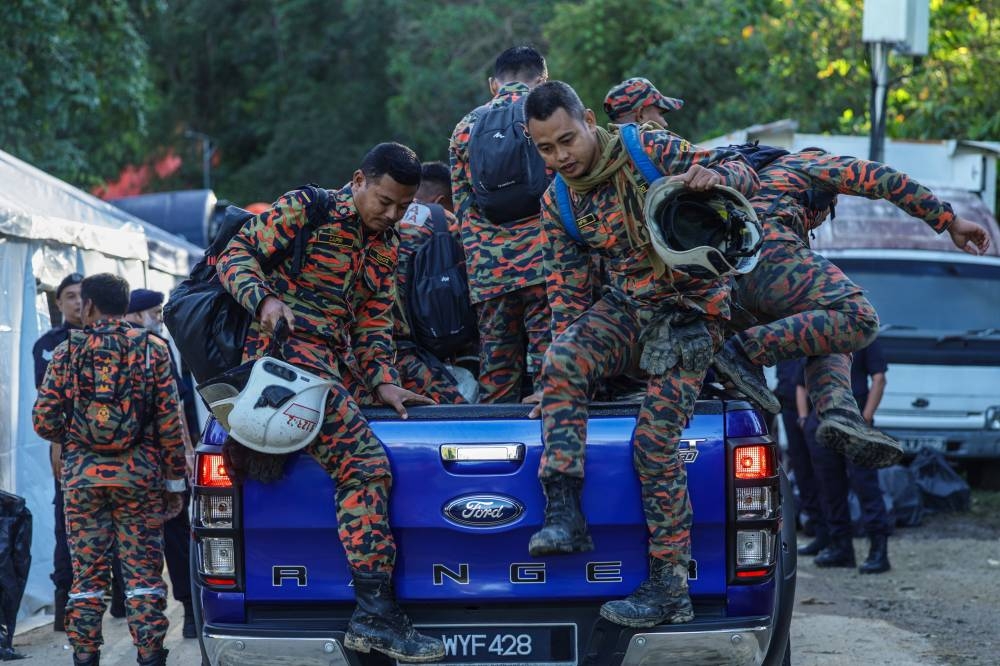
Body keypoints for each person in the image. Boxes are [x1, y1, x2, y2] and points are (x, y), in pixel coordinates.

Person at [522, 80, 760, 627]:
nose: (561, 157)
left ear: (587, 119)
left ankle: (669, 586)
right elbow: (568, 298)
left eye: (566, 140)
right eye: (545, 149)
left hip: (690, 311)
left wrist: (712, 176)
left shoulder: (647, 147)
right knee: (561, 358)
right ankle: (564, 511)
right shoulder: (558, 200)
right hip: (629, 309)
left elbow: (744, 174)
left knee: (653, 447)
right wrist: (564, 380)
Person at [215, 142, 445, 662]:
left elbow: (372, 323)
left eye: (402, 207)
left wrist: (385, 383)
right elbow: (234, 255)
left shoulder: (386, 245)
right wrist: (264, 299)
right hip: (283, 367)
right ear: (359, 180)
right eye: (384, 200)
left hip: (331, 370)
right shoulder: (308, 208)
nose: (391, 214)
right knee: (364, 464)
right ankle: (374, 618)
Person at [712, 147, 991, 468]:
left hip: (723, 278)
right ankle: (745, 351)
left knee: (829, 329)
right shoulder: (807, 163)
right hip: (766, 248)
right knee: (857, 319)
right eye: (828, 208)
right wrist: (949, 220)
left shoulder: (750, 181)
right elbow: (883, 179)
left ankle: (839, 412)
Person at [32, 273, 187, 666]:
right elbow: (171, 423)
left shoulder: (66, 352)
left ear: (89, 305)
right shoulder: (153, 349)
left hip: (83, 481)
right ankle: (150, 655)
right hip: (140, 479)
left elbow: (43, 422)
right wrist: (173, 483)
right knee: (144, 575)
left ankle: (85, 655)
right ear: (124, 303)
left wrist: (76, 430)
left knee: (88, 577)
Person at [450, 45, 552, 403]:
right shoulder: (549, 116)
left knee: (496, 368)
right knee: (550, 367)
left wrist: (480, 261)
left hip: (490, 271)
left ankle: (497, 443)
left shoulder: (465, 128)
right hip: (545, 262)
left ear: (494, 84)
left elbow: (463, 207)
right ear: (543, 80)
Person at [123, 288, 198, 639]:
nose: (158, 318)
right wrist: (182, 458)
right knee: (176, 535)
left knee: (128, 544)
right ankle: (188, 614)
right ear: (136, 314)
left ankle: (125, 620)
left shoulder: (84, 348)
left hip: (110, 472)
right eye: (154, 311)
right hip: (158, 463)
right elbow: (176, 407)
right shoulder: (156, 347)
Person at [801, 340, 893, 574]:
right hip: (828, 422)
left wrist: (866, 418)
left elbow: (879, 379)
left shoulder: (856, 336)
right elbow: (801, 382)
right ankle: (845, 549)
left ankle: (875, 552)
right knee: (831, 487)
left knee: (862, 485)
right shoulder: (826, 338)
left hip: (847, 421)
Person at [32, 272, 83, 632]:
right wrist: (56, 446)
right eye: (69, 296)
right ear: (59, 302)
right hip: (68, 449)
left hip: (111, 455)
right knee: (66, 525)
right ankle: (64, 601)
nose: (77, 302)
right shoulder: (48, 345)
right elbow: (47, 404)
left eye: (82, 295)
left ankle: (119, 598)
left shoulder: (118, 340)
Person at [393, 164, 469, 404]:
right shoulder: (444, 220)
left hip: (378, 351)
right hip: (426, 351)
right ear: (441, 199)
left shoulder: (378, 214)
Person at [776, 359, 828, 556]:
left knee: (823, 473)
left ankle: (833, 533)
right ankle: (820, 531)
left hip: (816, 409)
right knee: (803, 473)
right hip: (790, 407)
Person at [604, 77, 684, 128]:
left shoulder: (608, 150)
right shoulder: (663, 145)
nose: (665, 123)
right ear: (641, 115)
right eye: (660, 114)